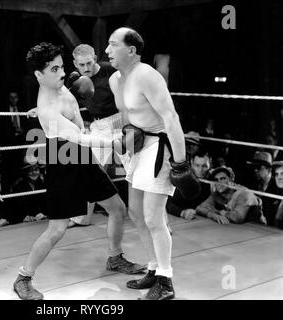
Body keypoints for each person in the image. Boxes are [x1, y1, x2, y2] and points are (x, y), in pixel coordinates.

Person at [13, 42, 145, 300]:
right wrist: (116, 144)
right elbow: (80, 138)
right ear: (39, 75)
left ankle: (115, 257)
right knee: (57, 229)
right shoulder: (49, 108)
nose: (62, 73)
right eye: (54, 69)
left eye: (62, 66)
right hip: (63, 158)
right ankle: (23, 277)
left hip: (81, 155)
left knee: (117, 209)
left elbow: (72, 116)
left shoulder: (59, 85)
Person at [105, 27, 196, 300]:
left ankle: (166, 282)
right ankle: (154, 269)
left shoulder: (148, 76)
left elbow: (171, 117)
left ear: (131, 50)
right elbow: (126, 116)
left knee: (154, 218)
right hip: (138, 146)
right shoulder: (114, 80)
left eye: (112, 45)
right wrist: (122, 144)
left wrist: (180, 161)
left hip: (160, 146)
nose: (107, 51)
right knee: (135, 213)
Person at [68, 44, 123, 227]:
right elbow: (65, 100)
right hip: (98, 125)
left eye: (89, 63)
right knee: (90, 169)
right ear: (75, 63)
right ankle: (82, 217)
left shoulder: (110, 70)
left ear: (96, 58)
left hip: (122, 121)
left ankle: (159, 221)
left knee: (137, 169)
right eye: (81, 64)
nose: (86, 68)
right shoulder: (75, 79)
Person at [196, 166, 265, 225]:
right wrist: (213, 215)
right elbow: (199, 208)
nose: (219, 183)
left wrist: (218, 211)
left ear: (231, 179)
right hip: (238, 230)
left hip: (260, 231)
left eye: (223, 179)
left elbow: (237, 218)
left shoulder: (244, 193)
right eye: (216, 180)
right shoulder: (217, 193)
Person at [166, 151, 212, 220]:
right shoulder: (183, 178)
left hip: (202, 219)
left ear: (210, 165)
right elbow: (167, 203)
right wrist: (182, 212)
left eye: (204, 166)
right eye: (197, 165)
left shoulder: (214, 179)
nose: (200, 170)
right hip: (178, 220)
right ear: (191, 163)